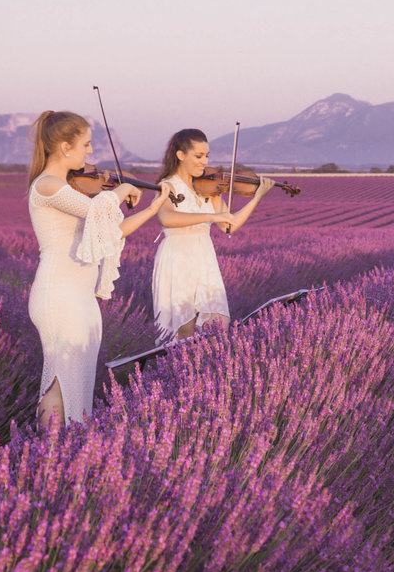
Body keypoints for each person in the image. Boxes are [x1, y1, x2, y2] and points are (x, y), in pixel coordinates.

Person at [27, 110, 172, 427]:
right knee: (59, 378)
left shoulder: (68, 188)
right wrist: (119, 191)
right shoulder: (48, 185)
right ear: (66, 147)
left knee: (77, 379)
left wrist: (153, 208)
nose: (90, 152)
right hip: (59, 295)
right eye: (86, 144)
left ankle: (65, 452)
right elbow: (97, 209)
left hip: (78, 297)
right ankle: (45, 458)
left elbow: (112, 229)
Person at [152, 129, 273, 343]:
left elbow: (229, 226)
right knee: (183, 332)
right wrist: (210, 215)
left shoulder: (210, 187)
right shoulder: (167, 186)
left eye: (206, 156)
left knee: (217, 326)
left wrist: (257, 198)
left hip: (204, 257)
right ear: (181, 155)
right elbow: (166, 218)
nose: (204, 162)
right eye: (198, 156)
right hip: (177, 259)